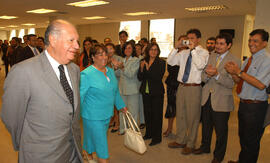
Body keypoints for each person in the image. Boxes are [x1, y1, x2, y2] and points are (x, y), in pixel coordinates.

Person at [1, 19, 83, 163]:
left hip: (73, 151)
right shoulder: (23, 71)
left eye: (77, 41)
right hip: (41, 155)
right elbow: (11, 117)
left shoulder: (74, 70)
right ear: (53, 39)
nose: (77, 46)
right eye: (71, 40)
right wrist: (30, 143)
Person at [193, 33, 241, 163]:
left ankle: (218, 156)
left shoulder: (235, 60)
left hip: (222, 100)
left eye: (221, 44)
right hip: (206, 97)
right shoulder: (211, 56)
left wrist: (217, 75)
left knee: (221, 131)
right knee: (206, 126)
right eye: (217, 43)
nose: (218, 46)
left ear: (229, 45)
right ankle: (205, 147)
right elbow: (202, 76)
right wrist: (208, 75)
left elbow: (232, 83)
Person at [225, 29, 270, 163]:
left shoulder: (266, 60)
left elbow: (261, 85)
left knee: (251, 142)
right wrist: (233, 72)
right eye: (250, 40)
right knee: (243, 138)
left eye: (255, 41)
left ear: (264, 43)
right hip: (244, 104)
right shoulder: (250, 59)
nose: (251, 43)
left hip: (256, 108)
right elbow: (239, 80)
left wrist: (238, 71)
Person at [80, 44, 127, 163]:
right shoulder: (86, 74)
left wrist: (121, 106)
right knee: (102, 144)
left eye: (105, 54)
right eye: (100, 54)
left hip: (107, 114)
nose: (104, 57)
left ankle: (87, 153)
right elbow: (80, 96)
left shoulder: (110, 71)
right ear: (93, 57)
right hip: (92, 116)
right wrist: (72, 115)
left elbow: (114, 91)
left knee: (93, 138)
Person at [167, 29, 209, 155]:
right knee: (181, 115)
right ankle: (180, 140)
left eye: (192, 38)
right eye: (188, 38)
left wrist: (193, 50)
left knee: (193, 117)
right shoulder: (183, 53)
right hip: (181, 87)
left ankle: (190, 144)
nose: (190, 40)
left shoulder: (203, 52)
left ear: (198, 39)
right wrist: (176, 48)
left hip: (194, 88)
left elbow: (200, 65)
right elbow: (170, 61)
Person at [138, 43, 166, 146]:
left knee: (157, 115)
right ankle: (149, 133)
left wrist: (148, 68)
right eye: (151, 49)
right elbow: (140, 77)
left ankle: (157, 138)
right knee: (148, 114)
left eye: (155, 49)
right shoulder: (143, 61)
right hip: (146, 92)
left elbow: (157, 77)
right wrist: (141, 68)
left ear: (158, 51)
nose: (153, 51)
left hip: (157, 92)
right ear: (148, 51)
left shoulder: (161, 62)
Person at [163, 35, 188, 137]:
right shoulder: (174, 53)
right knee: (171, 106)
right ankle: (169, 128)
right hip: (172, 83)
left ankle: (182, 131)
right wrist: (175, 48)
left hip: (183, 84)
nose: (182, 43)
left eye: (184, 41)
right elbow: (169, 65)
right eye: (180, 41)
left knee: (183, 108)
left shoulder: (190, 54)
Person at [117, 41, 140, 135]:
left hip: (132, 89)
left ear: (133, 49)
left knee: (133, 110)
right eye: (126, 48)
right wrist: (115, 68)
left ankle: (133, 129)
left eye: (129, 48)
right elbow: (118, 74)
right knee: (122, 110)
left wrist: (122, 67)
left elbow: (130, 74)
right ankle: (123, 129)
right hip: (122, 89)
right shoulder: (122, 60)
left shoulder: (135, 60)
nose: (127, 50)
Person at [105, 43, 123, 133]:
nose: (109, 51)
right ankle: (112, 120)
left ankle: (118, 123)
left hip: (117, 83)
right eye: (107, 49)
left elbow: (120, 73)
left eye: (111, 48)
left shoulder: (119, 58)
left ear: (114, 49)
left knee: (117, 105)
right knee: (110, 105)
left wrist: (114, 69)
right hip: (107, 85)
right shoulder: (104, 59)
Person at [135, 43, 145, 129]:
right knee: (134, 104)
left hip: (141, 83)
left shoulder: (143, 59)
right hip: (133, 83)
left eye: (139, 49)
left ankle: (142, 121)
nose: (137, 50)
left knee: (141, 103)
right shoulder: (132, 59)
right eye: (136, 49)